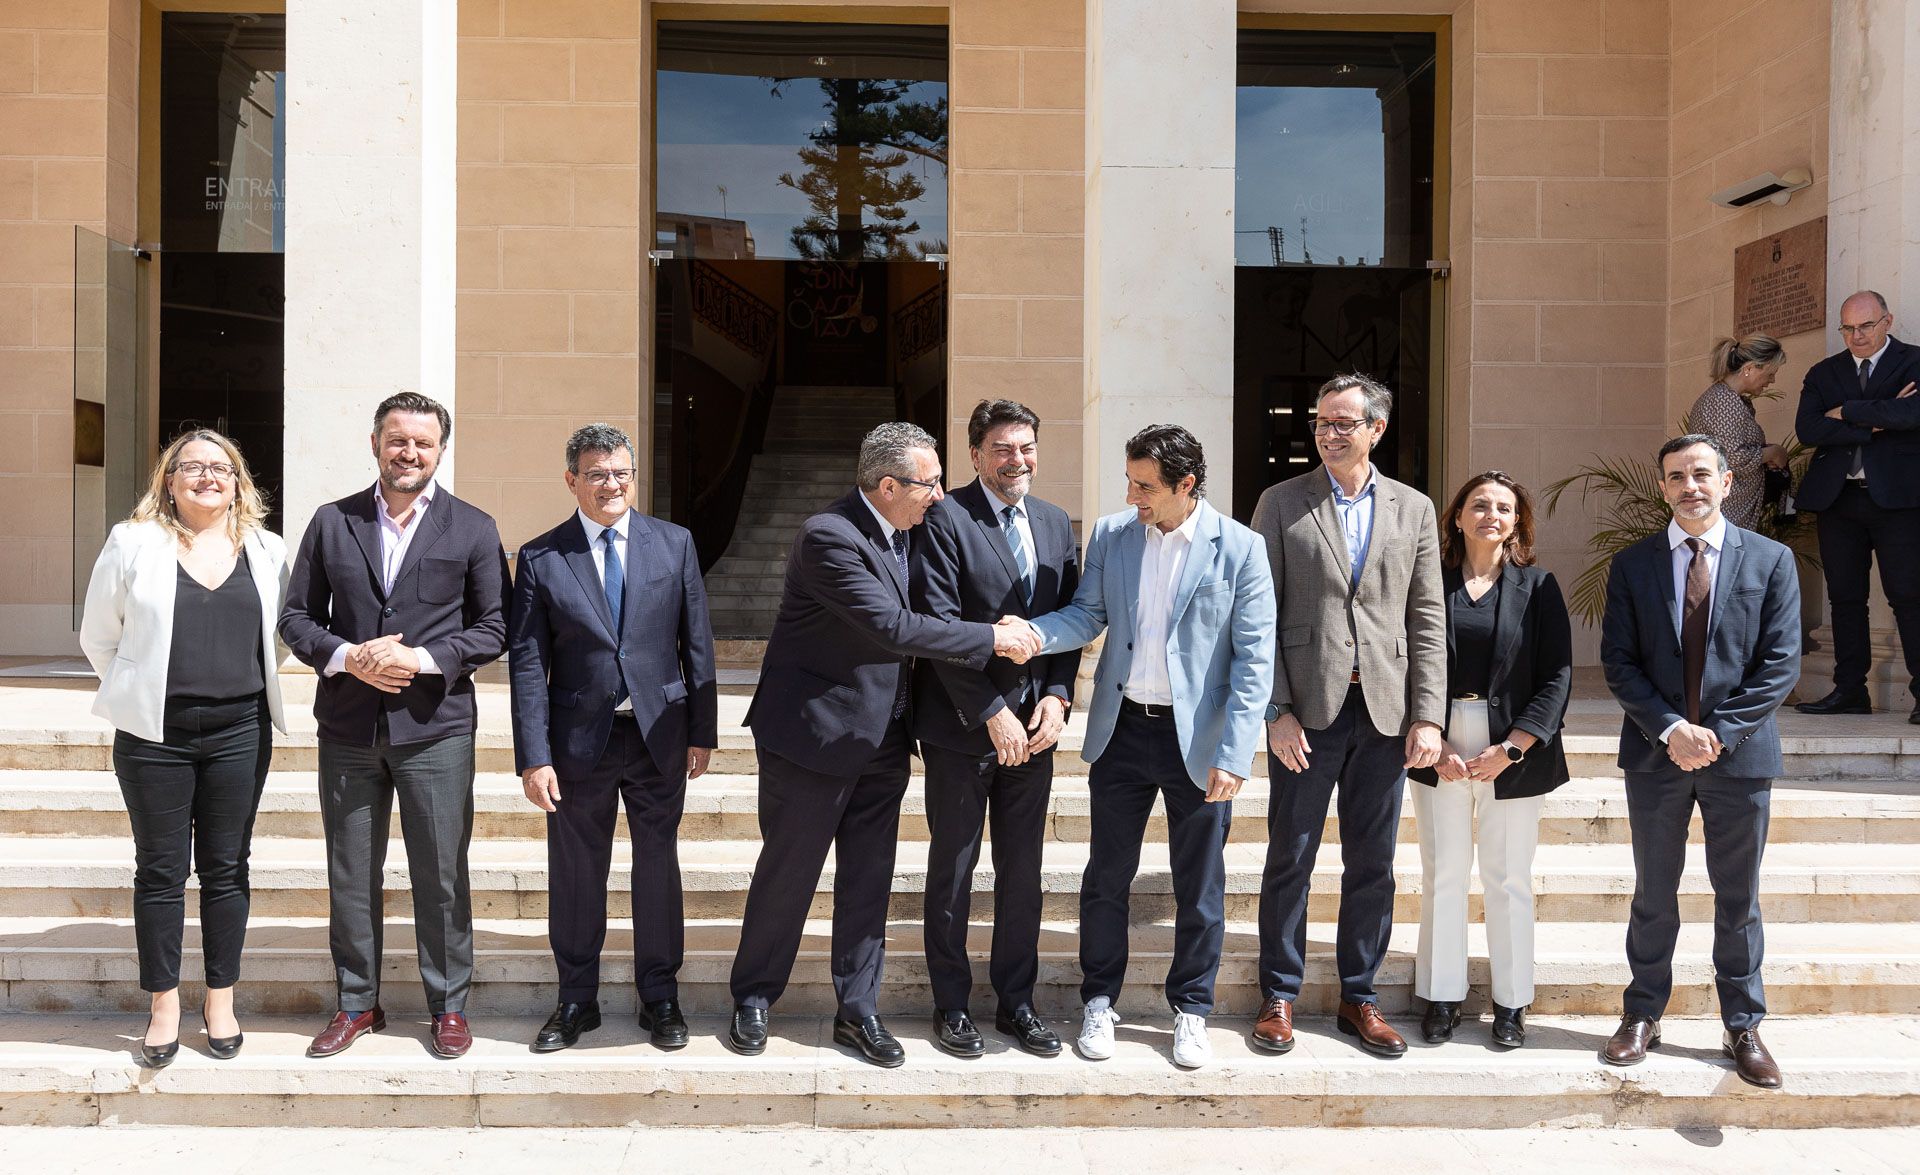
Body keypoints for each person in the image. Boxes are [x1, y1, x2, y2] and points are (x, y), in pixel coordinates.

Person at [726, 422, 1039, 1067]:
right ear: (889, 485)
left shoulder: (913, 531)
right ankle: (754, 996)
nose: (941, 495)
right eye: (930, 483)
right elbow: (891, 626)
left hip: (884, 739)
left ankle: (858, 1011)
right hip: (814, 738)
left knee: (868, 881)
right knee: (790, 872)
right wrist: (992, 638)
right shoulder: (828, 537)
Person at [1010, 424, 1275, 1071]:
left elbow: (1254, 661)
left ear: (1187, 485)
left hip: (1202, 741)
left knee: (1200, 885)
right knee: (1106, 877)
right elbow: (1086, 616)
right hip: (1123, 728)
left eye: (1145, 485)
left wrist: (1236, 754)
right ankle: (1100, 999)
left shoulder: (1240, 549)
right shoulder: (1112, 536)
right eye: (1129, 481)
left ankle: (1192, 1010)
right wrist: (1030, 633)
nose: (1133, 495)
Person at [279, 391, 510, 1059]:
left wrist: (421, 658)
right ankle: (358, 1002)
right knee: (351, 870)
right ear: (375, 442)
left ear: (441, 450)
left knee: (440, 873)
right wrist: (350, 657)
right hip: (348, 728)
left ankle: (448, 1005)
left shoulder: (472, 526)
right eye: (398, 439)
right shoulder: (332, 521)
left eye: (423, 442)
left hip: (435, 726)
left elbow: (496, 625)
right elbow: (297, 618)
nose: (409, 452)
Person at [1250, 372, 1446, 1059]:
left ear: (1376, 429)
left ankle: (1359, 995)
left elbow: (1427, 617)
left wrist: (1429, 714)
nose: (1329, 434)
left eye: (1344, 423)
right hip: (1308, 709)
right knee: (1291, 855)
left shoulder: (1414, 508)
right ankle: (1278, 993)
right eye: (1321, 423)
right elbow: (1259, 615)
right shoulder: (1281, 501)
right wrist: (1276, 709)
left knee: (1373, 862)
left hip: (1387, 713)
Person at [80, 430, 288, 1068]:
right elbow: (98, 636)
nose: (206, 476)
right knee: (162, 872)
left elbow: (277, 640)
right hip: (154, 737)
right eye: (190, 467)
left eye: (220, 467)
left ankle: (219, 999)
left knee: (228, 870)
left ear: (238, 480)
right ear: (168, 481)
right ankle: (164, 1005)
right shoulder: (133, 542)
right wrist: (140, 690)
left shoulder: (269, 550)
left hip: (239, 730)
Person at [1598, 434, 1800, 1089]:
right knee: (1654, 892)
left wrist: (1714, 733)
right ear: (1663, 486)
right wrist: (1669, 729)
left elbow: (1780, 665)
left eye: (1702, 473)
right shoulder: (1633, 565)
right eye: (1677, 475)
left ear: (1727, 478)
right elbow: (1619, 664)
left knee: (1738, 899)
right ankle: (1642, 1013)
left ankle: (1742, 1021)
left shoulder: (1771, 561)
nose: (1690, 485)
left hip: (1738, 759)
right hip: (1657, 757)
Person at [508, 423, 717, 1053]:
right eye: (597, 473)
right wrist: (533, 756)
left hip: (659, 736)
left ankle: (661, 996)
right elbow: (526, 663)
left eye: (621, 471)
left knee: (658, 868)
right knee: (576, 872)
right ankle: (576, 999)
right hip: (578, 744)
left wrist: (702, 731)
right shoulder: (543, 556)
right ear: (572, 479)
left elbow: (696, 642)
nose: (611, 483)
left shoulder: (674, 543)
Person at [912, 399, 1081, 1059]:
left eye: (1027, 447)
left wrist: (1060, 696)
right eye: (1004, 449)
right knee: (954, 866)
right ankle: (951, 1003)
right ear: (977, 453)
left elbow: (1071, 618)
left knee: (1022, 871)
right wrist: (990, 710)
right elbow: (937, 624)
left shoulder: (1055, 521)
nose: (1018, 460)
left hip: (1035, 729)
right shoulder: (945, 516)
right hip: (961, 727)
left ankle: (1017, 1002)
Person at [1405, 472, 1572, 1048]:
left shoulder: (1540, 586)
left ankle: (1510, 1003)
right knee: (1444, 873)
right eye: (1479, 505)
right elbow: (1404, 661)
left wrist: (1516, 745)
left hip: (1514, 744)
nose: (1491, 515)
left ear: (1517, 522)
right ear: (1457, 517)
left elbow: (1558, 675)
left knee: (1508, 879)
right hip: (1439, 735)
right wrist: (1432, 738)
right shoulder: (1429, 583)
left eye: (1504, 507)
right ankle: (1443, 995)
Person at [1791, 290, 1920, 721]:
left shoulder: (1914, 361)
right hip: (1839, 500)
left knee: (1909, 596)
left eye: (1865, 326)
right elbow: (1808, 429)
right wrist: (1876, 422)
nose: (1856, 336)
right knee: (1845, 598)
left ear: (1887, 320)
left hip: (1899, 500)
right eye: (1848, 328)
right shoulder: (1824, 372)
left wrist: (1846, 411)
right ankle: (1849, 690)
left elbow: (1913, 415)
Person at [1685, 335, 1789, 530]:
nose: (1772, 380)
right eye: (1770, 373)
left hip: (1729, 510)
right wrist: (1774, 453)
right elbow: (1734, 457)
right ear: (1749, 368)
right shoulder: (1723, 401)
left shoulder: (1729, 399)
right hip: (1725, 512)